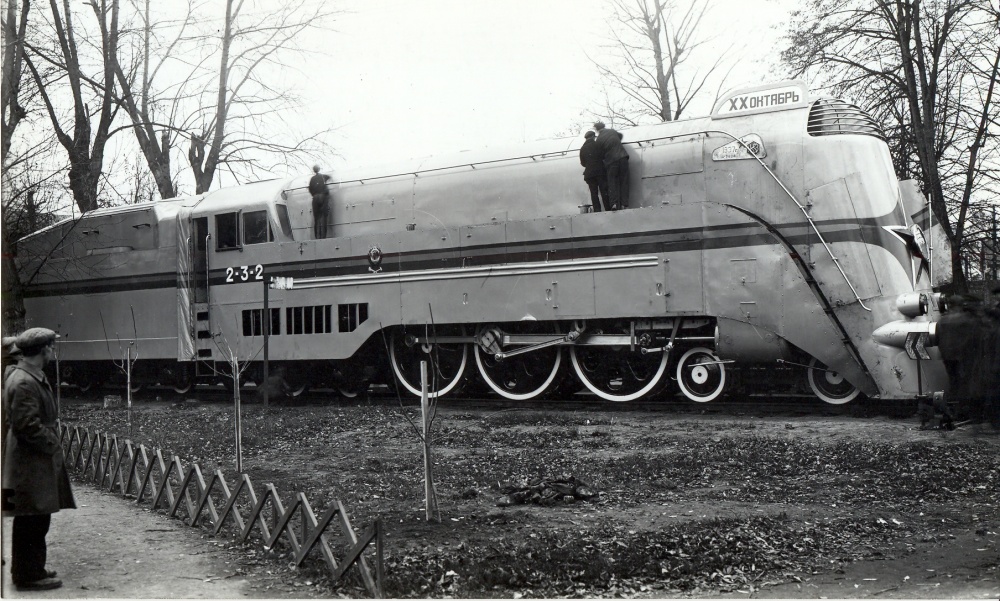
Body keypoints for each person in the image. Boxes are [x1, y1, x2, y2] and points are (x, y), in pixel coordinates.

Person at [2, 327, 75, 591]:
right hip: (30, 460)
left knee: (36, 515)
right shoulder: (24, 381)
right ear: (43, 350)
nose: (53, 351)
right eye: (51, 347)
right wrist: (52, 444)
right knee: (32, 516)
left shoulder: (28, 375)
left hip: (32, 458)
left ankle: (32, 568)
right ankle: (27, 575)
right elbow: (26, 425)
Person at [593, 121, 630, 210]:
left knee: (612, 183)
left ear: (596, 130)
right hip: (623, 158)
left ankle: (614, 204)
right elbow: (620, 136)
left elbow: (599, 154)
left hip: (611, 161)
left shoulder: (598, 140)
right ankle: (624, 204)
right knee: (624, 181)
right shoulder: (612, 131)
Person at [579, 131, 609, 212]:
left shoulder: (582, 148)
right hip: (600, 171)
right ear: (593, 136)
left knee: (593, 193)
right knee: (604, 191)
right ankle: (607, 208)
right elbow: (604, 156)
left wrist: (589, 165)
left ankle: (597, 209)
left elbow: (582, 163)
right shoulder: (597, 145)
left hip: (589, 174)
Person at [308, 165, 332, 239]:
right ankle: (323, 236)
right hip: (323, 197)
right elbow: (329, 177)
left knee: (316, 218)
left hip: (315, 198)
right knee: (324, 217)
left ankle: (317, 236)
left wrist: (314, 194)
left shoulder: (312, 179)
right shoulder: (323, 176)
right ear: (319, 169)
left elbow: (310, 188)